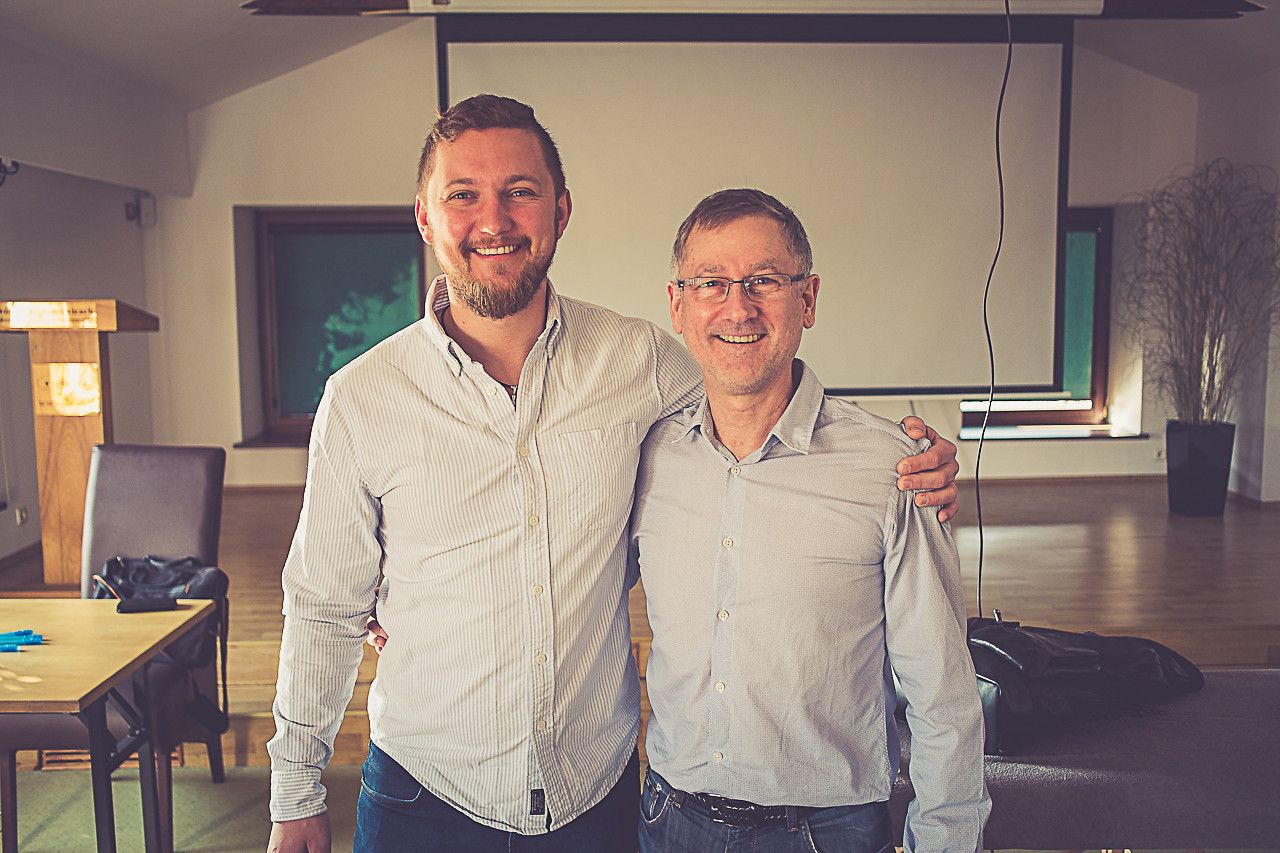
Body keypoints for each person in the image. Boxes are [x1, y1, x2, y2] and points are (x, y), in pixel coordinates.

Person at [267, 95, 960, 853]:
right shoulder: (362, 398)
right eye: (463, 194)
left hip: (595, 798)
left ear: (560, 211)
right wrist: (296, 791)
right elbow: (323, 606)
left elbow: (753, 393)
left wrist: (903, 457)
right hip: (422, 794)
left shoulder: (641, 362)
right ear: (426, 218)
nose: (493, 220)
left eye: (520, 191)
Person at [630, 188, 988, 852]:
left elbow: (943, 693)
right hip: (669, 819)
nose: (738, 306)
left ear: (809, 298)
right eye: (711, 282)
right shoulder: (648, 455)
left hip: (826, 832)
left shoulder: (893, 469)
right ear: (678, 305)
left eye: (764, 280)